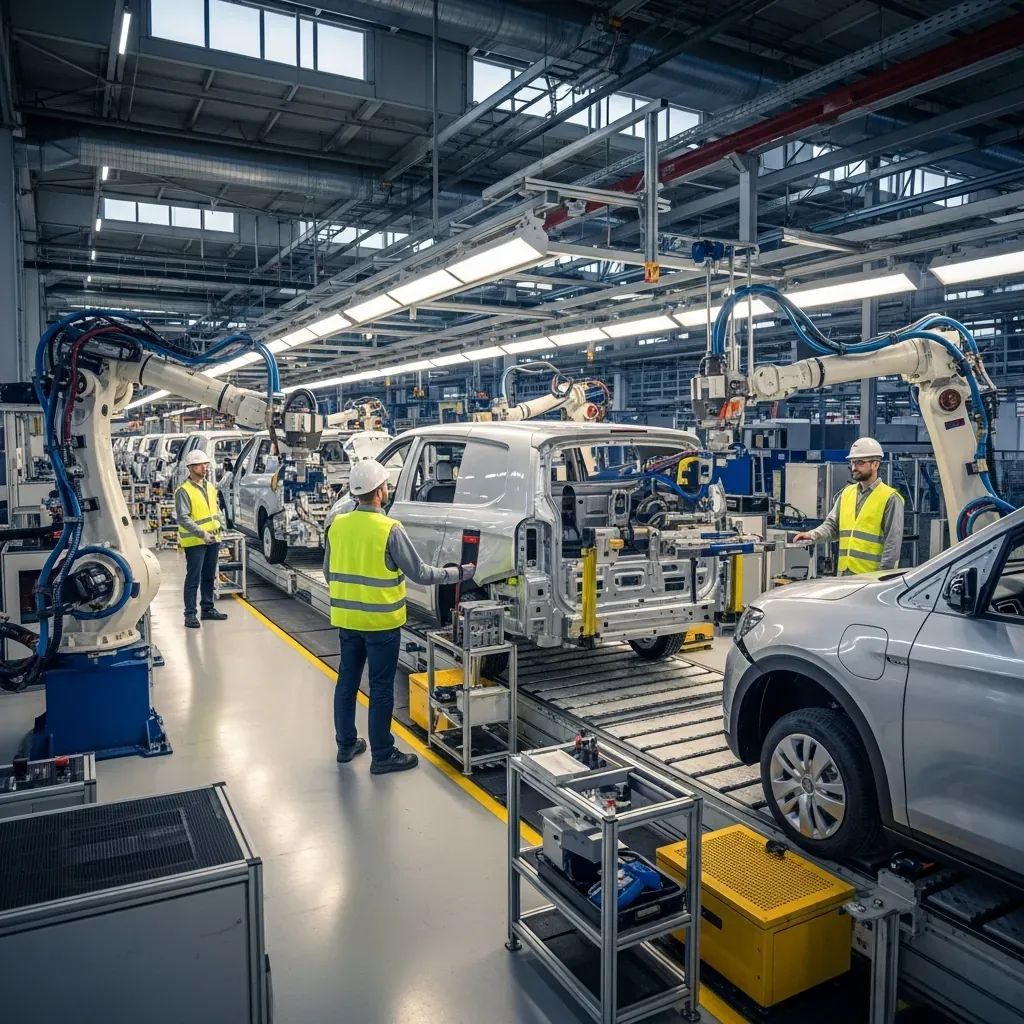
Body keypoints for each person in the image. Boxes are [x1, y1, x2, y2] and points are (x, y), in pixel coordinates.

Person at [324, 459, 475, 775]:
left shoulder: (337, 525)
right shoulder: (389, 529)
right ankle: (382, 754)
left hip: (347, 621)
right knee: (380, 688)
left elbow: (328, 572)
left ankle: (346, 744)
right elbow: (420, 573)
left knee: (347, 681)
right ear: (379, 492)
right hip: (382, 625)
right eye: (386, 486)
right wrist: (458, 573)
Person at [793, 437, 905, 575]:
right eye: (852, 462)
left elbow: (892, 545)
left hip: (871, 577)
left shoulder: (890, 498)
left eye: (859, 463)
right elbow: (832, 526)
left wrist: (883, 579)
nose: (853, 468)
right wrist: (811, 535)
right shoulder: (847, 493)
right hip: (845, 574)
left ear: (875, 464)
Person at [175, 448, 229, 629]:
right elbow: (183, 517)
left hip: (213, 539)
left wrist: (221, 525)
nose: (204, 467)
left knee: (209, 576)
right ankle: (189, 614)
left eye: (205, 464)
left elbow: (215, 509)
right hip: (196, 541)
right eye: (200, 465)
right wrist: (202, 534)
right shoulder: (183, 491)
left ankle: (207, 608)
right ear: (191, 467)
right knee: (193, 578)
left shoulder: (210, 486)